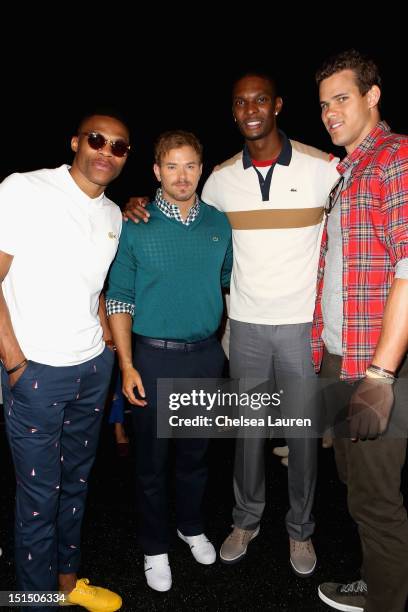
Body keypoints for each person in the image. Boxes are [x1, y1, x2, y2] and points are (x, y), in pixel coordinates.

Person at [124, 72, 339, 577]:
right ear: (233, 111)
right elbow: (186, 217)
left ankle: (301, 531)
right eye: (241, 101)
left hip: (299, 324)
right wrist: (135, 204)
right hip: (243, 326)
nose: (251, 109)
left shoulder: (324, 168)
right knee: (247, 433)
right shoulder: (219, 179)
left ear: (278, 104)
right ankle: (246, 521)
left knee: (302, 436)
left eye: (260, 99)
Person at [0, 111, 130, 611]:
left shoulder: (115, 214)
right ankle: (34, 600)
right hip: (35, 372)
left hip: (92, 368)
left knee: (77, 484)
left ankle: (67, 584)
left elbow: (92, 285)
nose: (106, 152)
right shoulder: (26, 189)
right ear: (76, 141)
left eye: (119, 147)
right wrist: (14, 360)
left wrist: (106, 346)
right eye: (97, 140)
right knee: (39, 500)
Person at [106, 130, 233, 592]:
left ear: (202, 169)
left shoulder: (220, 224)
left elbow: (223, 280)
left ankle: (191, 526)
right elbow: (118, 299)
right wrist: (127, 365)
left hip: (204, 357)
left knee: (197, 456)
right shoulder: (134, 225)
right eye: (172, 166)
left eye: (191, 166)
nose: (182, 176)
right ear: (157, 171)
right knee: (152, 462)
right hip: (152, 358)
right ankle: (154, 545)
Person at [311, 50, 408, 612]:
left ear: (373, 96)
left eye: (342, 98)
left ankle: (386, 599)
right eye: (324, 103)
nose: (330, 112)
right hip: (339, 359)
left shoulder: (394, 157)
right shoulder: (349, 171)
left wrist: (381, 373)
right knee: (352, 482)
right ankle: (376, 580)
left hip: (373, 363)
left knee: (376, 499)